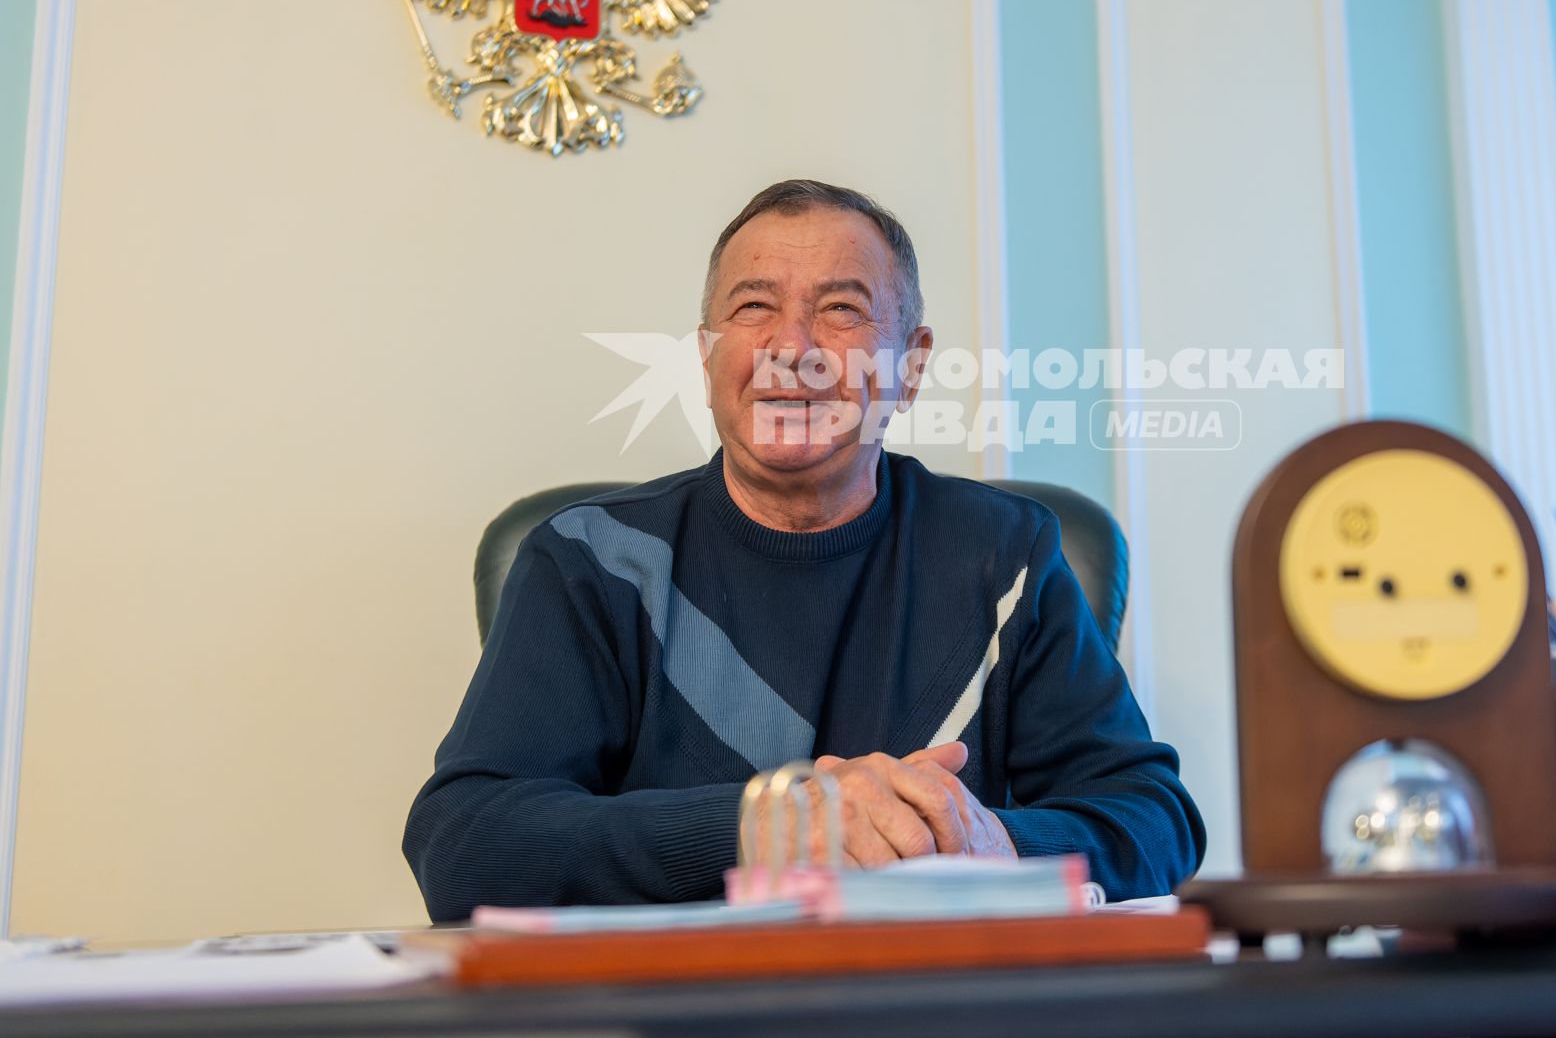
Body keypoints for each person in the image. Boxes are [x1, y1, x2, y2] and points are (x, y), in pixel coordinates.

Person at [403, 179, 1203, 919]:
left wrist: (992, 843)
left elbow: (1153, 817)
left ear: (911, 366)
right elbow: (465, 844)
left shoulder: (1005, 555)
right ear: (710, 356)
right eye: (754, 308)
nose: (793, 347)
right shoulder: (590, 558)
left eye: (843, 310)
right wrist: (768, 828)